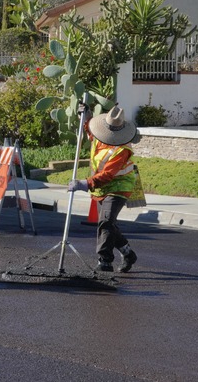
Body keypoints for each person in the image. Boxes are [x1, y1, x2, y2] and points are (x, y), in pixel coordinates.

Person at [68, 104, 139, 273]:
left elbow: (108, 175)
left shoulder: (122, 149)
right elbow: (89, 130)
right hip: (101, 188)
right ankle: (128, 253)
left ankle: (105, 261)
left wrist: (84, 184)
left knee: (105, 222)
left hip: (120, 186)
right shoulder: (100, 136)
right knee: (109, 224)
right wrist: (85, 117)